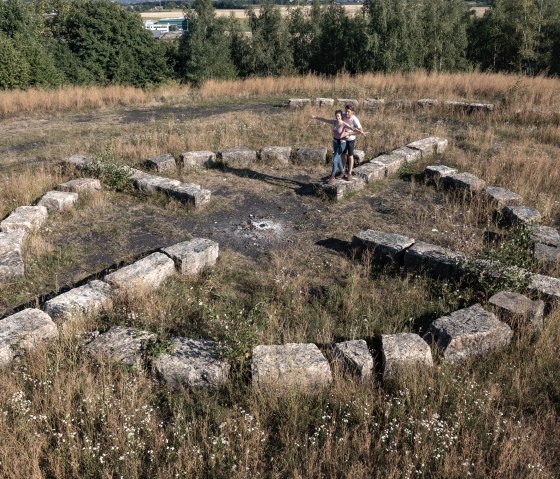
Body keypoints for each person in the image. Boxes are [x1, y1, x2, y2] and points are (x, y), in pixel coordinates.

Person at [311, 110, 358, 183]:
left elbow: (353, 129)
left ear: (341, 117)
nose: (337, 117)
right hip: (335, 142)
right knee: (338, 159)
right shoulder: (334, 122)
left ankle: (332, 177)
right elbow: (324, 119)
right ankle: (342, 172)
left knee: (335, 159)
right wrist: (315, 117)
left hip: (342, 144)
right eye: (336, 116)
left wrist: (361, 132)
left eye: (339, 116)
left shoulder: (344, 124)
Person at [342, 104, 366, 177]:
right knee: (343, 154)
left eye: (348, 112)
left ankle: (349, 172)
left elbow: (361, 131)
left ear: (352, 112)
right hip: (343, 138)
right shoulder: (343, 115)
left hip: (351, 139)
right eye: (346, 111)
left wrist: (349, 133)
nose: (346, 113)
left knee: (350, 155)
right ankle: (343, 170)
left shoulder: (355, 119)